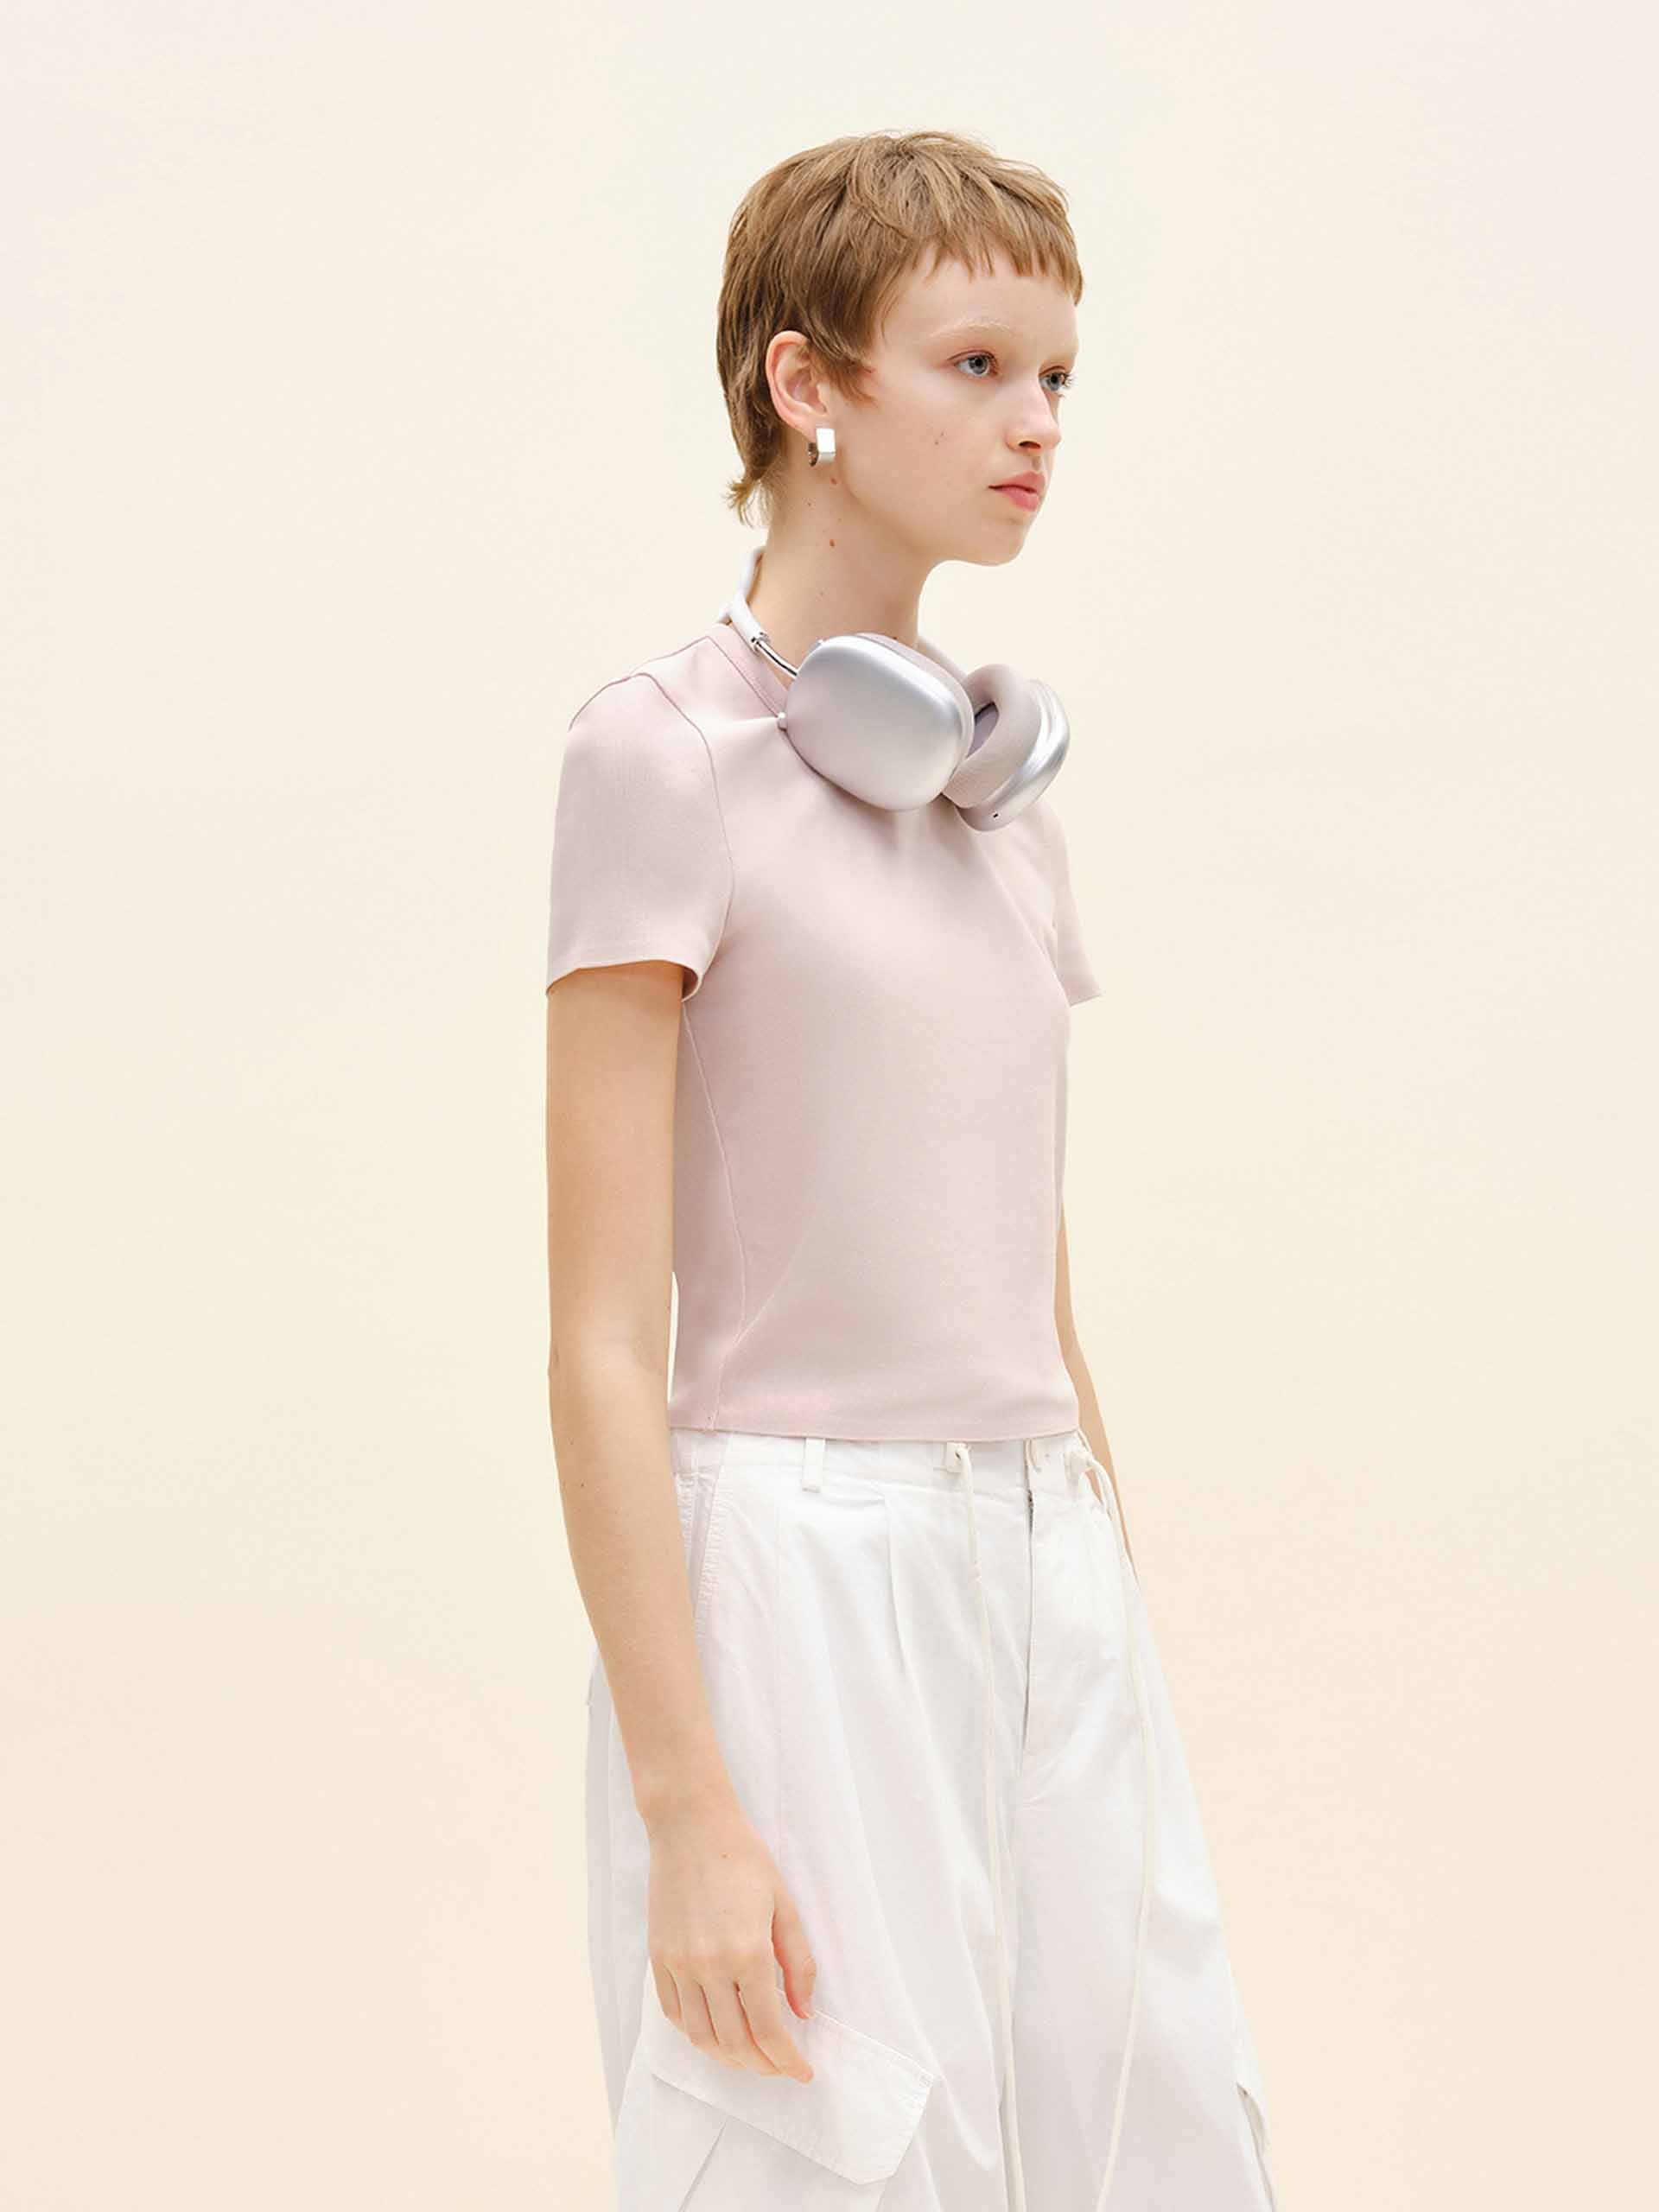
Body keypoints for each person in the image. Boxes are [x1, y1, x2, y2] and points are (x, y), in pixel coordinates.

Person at [544, 128, 1280, 2212]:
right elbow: (599, 1342)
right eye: (975, 365)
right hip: (800, 1567)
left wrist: (1109, 1608)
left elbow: (1032, 1284)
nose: (1036, 423)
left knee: (1155, 2140)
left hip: (1046, 1561)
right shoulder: (657, 754)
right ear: (808, 383)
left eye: (1058, 377)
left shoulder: (999, 801)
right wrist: (692, 1806)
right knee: (823, 2158)